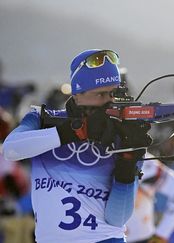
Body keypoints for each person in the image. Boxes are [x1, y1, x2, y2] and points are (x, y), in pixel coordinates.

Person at [2, 49, 153, 243]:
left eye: (114, 93)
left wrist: (128, 163)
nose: (109, 101)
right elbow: (11, 150)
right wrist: (75, 132)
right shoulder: (42, 119)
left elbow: (117, 219)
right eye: (100, 94)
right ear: (77, 95)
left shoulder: (124, 132)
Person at [125, 154, 174, 243]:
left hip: (141, 238)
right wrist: (162, 233)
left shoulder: (146, 163)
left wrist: (161, 234)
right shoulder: (146, 161)